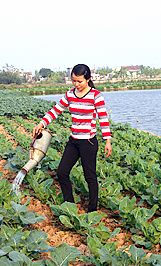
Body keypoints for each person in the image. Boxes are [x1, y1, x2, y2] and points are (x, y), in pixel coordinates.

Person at [33, 64, 112, 213]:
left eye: (79, 81)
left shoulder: (96, 96)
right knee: (62, 172)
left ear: (88, 79)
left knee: (90, 176)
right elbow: (56, 110)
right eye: (74, 81)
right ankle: (70, 205)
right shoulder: (70, 94)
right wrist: (42, 123)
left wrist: (107, 140)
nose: (76, 84)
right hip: (74, 141)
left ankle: (92, 210)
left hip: (88, 142)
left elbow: (103, 119)